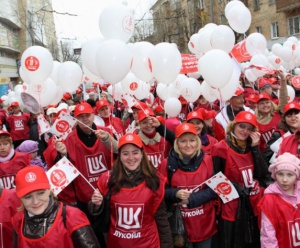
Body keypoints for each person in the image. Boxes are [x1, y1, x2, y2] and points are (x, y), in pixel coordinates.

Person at [43, 102, 117, 247]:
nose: (85, 119)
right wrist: (62, 155)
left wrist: (109, 140)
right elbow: (63, 170)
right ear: (75, 119)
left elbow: (119, 153)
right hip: (85, 198)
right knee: (94, 233)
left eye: (87, 115)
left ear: (93, 116)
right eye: (80, 117)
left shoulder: (106, 132)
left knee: (113, 229)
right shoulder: (68, 139)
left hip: (109, 192)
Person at [90, 133, 173, 248]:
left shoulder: (154, 180)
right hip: (117, 243)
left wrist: (167, 246)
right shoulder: (108, 179)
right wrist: (96, 204)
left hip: (147, 243)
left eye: (135, 152)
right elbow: (95, 212)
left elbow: (162, 220)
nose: (131, 158)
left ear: (142, 154)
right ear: (119, 156)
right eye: (125, 153)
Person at [211, 111, 269, 248]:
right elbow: (215, 179)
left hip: (252, 204)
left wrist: (255, 148)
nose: (245, 131)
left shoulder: (252, 146)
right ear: (233, 126)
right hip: (231, 206)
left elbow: (263, 175)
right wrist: (237, 190)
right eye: (242, 126)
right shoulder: (220, 147)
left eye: (249, 128)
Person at [159, 123, 217, 248]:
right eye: (183, 141)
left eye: (192, 140)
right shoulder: (166, 164)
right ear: (177, 143)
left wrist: (191, 199)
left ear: (197, 142)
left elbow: (216, 189)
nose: (188, 145)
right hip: (179, 227)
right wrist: (175, 194)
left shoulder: (208, 160)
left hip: (204, 224)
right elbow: (160, 191)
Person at [12, 166, 100, 247]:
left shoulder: (72, 216)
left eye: (41, 193)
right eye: (28, 197)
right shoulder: (18, 221)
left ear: (49, 190)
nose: (36, 202)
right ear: (20, 198)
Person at [258, 152, 300, 248]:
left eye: (290, 175)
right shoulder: (269, 200)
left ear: (297, 176)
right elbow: (268, 234)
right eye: (280, 174)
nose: (284, 180)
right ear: (274, 175)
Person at [263, 102, 300, 166]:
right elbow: (265, 160)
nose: (293, 118)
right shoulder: (278, 135)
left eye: (296, 114)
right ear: (284, 119)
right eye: (289, 115)